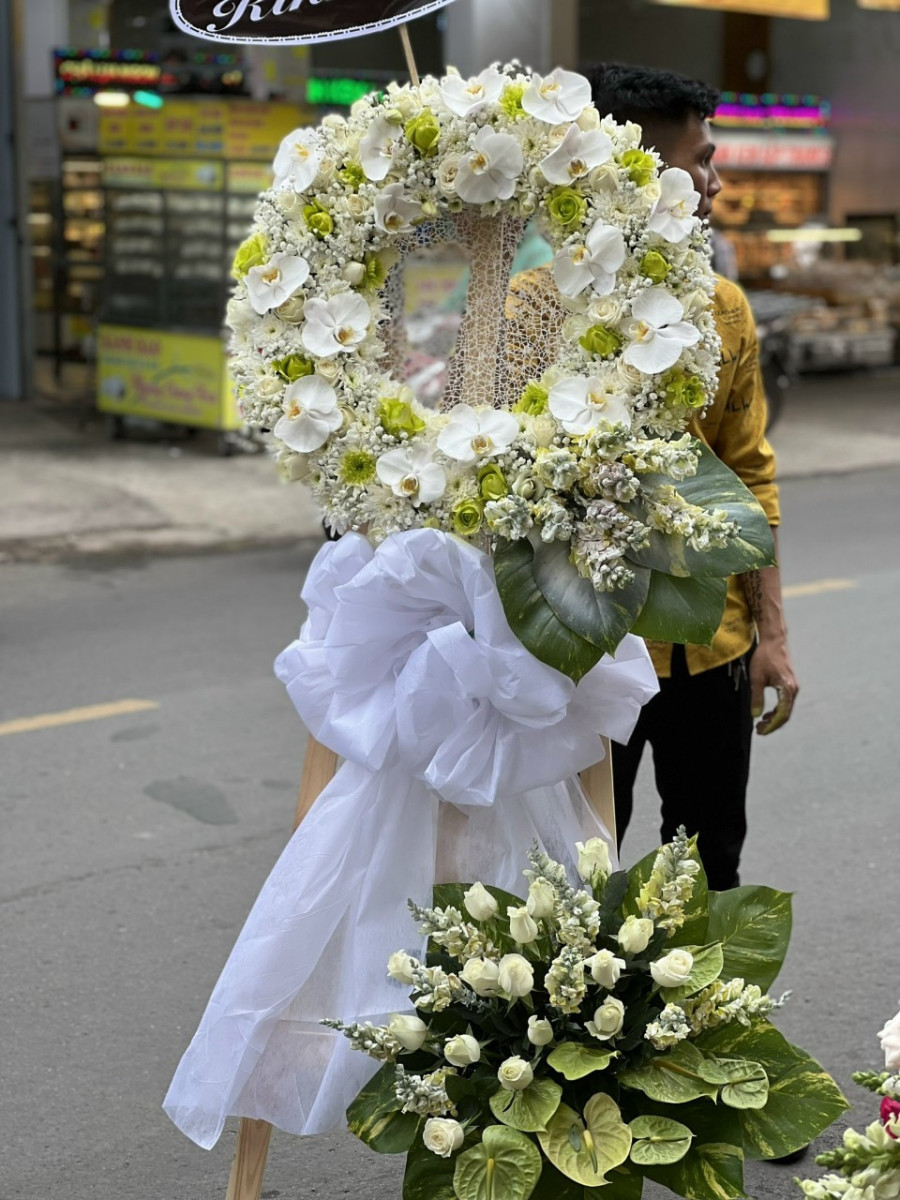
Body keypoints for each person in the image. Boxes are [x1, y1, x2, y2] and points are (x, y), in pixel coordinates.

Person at [505, 64, 798, 891]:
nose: (716, 180)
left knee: (707, 871)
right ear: (636, 166)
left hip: (713, 649)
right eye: (702, 160)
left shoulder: (724, 308)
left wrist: (771, 635)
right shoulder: (534, 309)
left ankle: (697, 1019)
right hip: (582, 648)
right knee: (577, 875)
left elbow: (750, 480)